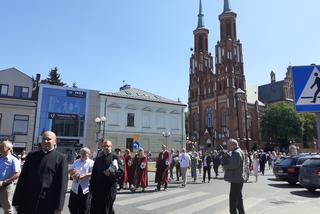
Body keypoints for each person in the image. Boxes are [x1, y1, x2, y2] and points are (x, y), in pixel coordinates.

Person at [12, 131, 68, 214]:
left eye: (48, 139)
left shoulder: (60, 158)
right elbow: (22, 179)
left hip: (47, 203)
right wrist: (16, 200)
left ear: (55, 142)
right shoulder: (31, 156)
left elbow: (62, 184)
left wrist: (58, 207)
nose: (45, 141)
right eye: (43, 139)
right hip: (27, 201)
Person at [88, 140, 124, 214]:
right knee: (97, 208)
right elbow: (94, 174)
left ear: (111, 147)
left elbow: (121, 172)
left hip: (110, 188)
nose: (106, 147)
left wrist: (111, 174)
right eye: (104, 146)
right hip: (98, 188)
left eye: (108, 146)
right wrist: (91, 188)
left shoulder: (115, 157)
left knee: (107, 208)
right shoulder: (98, 159)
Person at [222, 138, 245, 214]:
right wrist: (227, 156)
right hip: (238, 179)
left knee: (233, 200)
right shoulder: (238, 151)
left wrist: (225, 166)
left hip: (236, 179)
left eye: (229, 145)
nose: (227, 147)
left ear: (233, 145)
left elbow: (234, 165)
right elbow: (234, 161)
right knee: (238, 199)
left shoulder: (236, 153)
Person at [68, 147, 94, 214]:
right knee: (71, 206)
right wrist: (72, 172)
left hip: (85, 188)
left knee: (83, 208)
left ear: (88, 154)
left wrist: (85, 175)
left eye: (84, 154)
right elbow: (70, 170)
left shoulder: (91, 163)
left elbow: (94, 173)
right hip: (75, 188)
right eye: (81, 153)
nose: (82, 155)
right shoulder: (77, 161)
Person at [0, 140, 21, 214]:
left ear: (9, 148)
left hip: (6, 186)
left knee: (7, 209)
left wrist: (4, 182)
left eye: (2, 146)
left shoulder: (13, 160)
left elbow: (18, 174)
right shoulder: (1, 158)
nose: (0, 147)